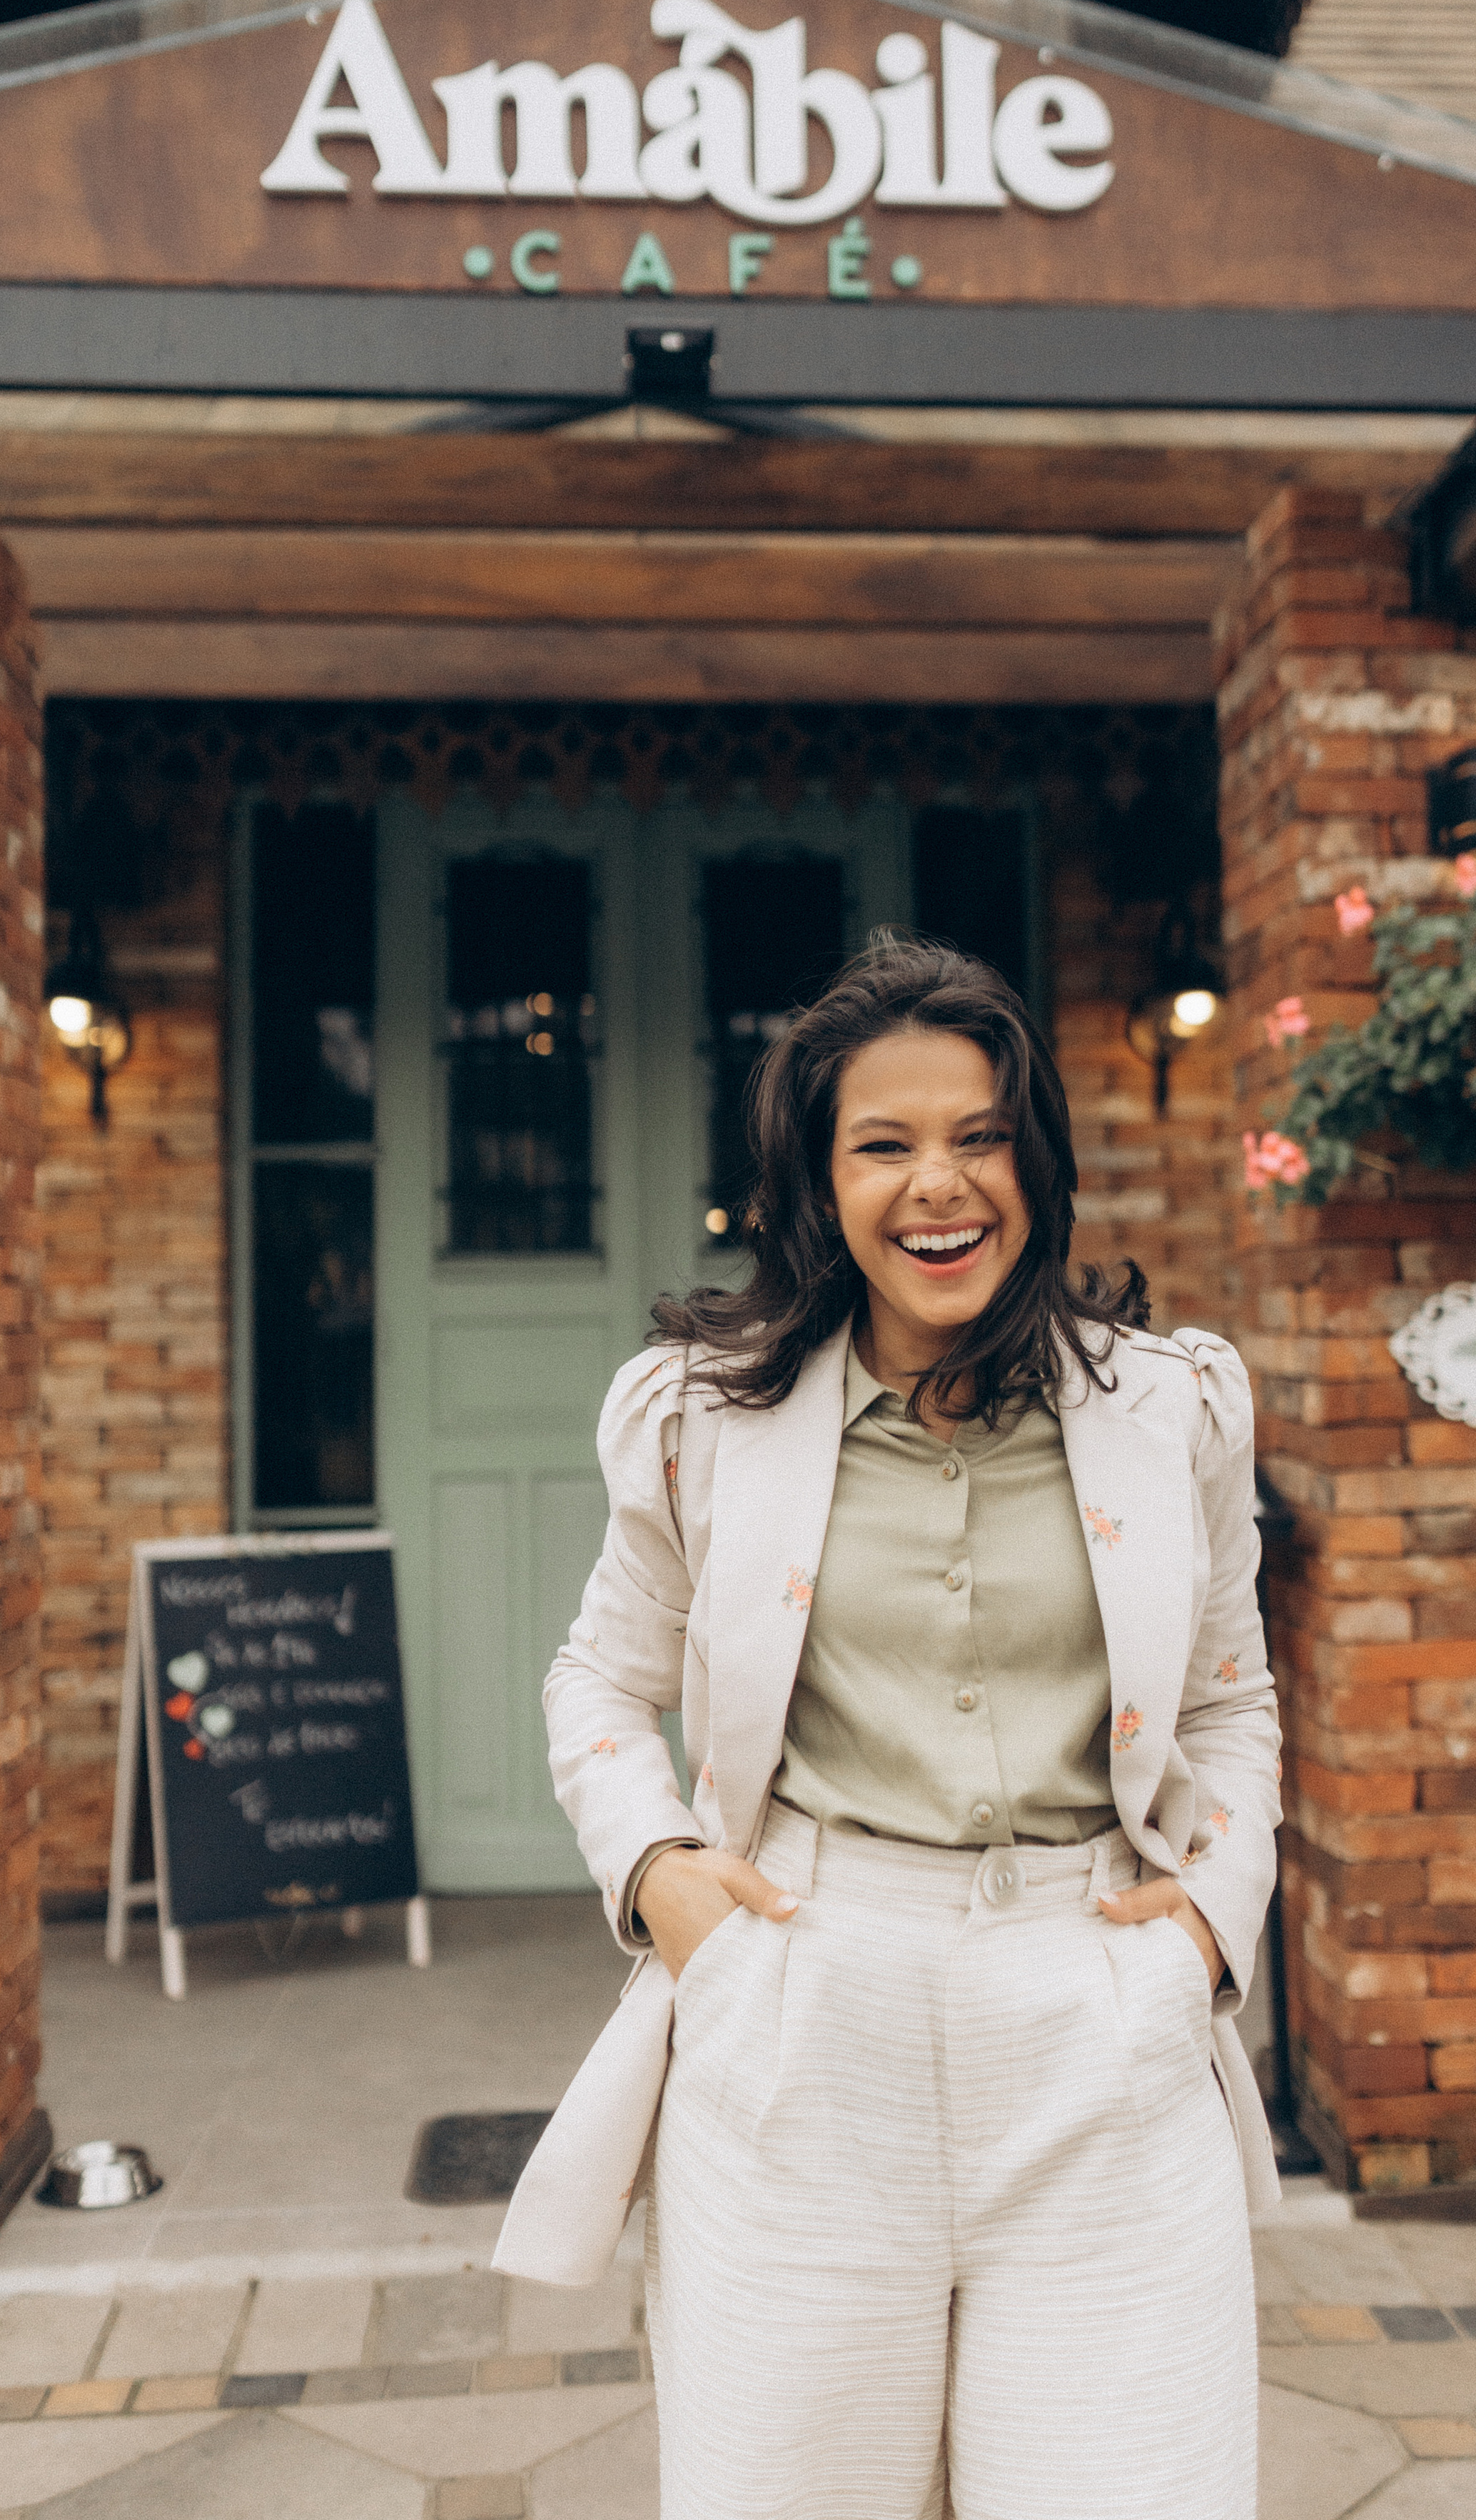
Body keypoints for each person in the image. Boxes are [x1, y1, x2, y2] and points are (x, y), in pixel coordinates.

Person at [501, 934, 1281, 2520]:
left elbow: (1227, 1695)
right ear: (817, 1180)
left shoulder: (1170, 1408)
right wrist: (659, 1874)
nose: (941, 1186)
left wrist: (1209, 1920)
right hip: (801, 2022)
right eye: (886, 1145)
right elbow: (597, 1679)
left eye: (979, 1136)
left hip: (1098, 2026)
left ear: (1035, 1160)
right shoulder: (698, 1421)